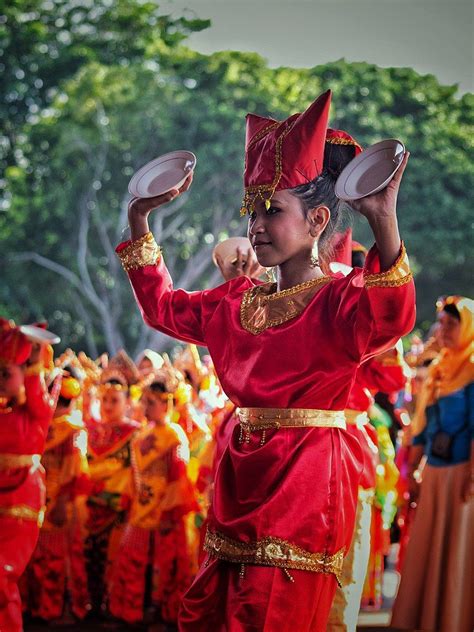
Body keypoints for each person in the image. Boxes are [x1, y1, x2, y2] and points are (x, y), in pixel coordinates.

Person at [117, 89, 415, 631]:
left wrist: (384, 222)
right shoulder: (235, 302)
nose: (256, 224)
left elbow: (391, 319)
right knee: (216, 612)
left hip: (307, 478)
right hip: (238, 473)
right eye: (251, 211)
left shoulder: (340, 300)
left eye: (272, 211)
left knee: (270, 613)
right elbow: (161, 308)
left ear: (319, 219)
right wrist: (138, 217)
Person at [391, 295, 474, 632]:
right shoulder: (438, 367)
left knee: (457, 552)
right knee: (430, 549)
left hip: (463, 476)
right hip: (436, 474)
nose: (443, 329)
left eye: (451, 323)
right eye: (441, 322)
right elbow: (422, 428)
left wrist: (471, 476)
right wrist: (411, 473)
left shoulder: (472, 369)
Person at [108, 368, 197, 624]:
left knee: (166, 566)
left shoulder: (175, 436)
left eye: (150, 402)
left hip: (165, 510)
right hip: (142, 507)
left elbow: (178, 477)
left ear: (166, 404)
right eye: (144, 401)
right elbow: (133, 476)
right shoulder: (141, 435)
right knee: (133, 560)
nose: (144, 406)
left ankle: (163, 613)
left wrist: (170, 511)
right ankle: (131, 611)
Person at [0, 320, 57, 632]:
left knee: (2, 577)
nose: (1, 379)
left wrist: (35, 358)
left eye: (7, 372)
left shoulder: (37, 411)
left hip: (22, 498)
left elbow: (36, 395)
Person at [24, 368, 91, 622]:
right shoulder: (71, 429)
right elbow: (77, 472)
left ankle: (47, 607)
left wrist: (61, 502)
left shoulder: (56, 427)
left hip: (45, 499)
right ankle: (53, 608)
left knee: (46, 555)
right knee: (53, 555)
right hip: (52, 500)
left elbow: (74, 472)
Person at [83, 352, 141, 617]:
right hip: (88, 505)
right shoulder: (89, 428)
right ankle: (90, 603)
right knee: (88, 555)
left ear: (127, 402)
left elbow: (135, 471)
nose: (107, 405)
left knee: (114, 557)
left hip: (118, 505)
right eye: (104, 399)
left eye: (114, 400)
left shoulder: (134, 432)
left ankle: (111, 604)